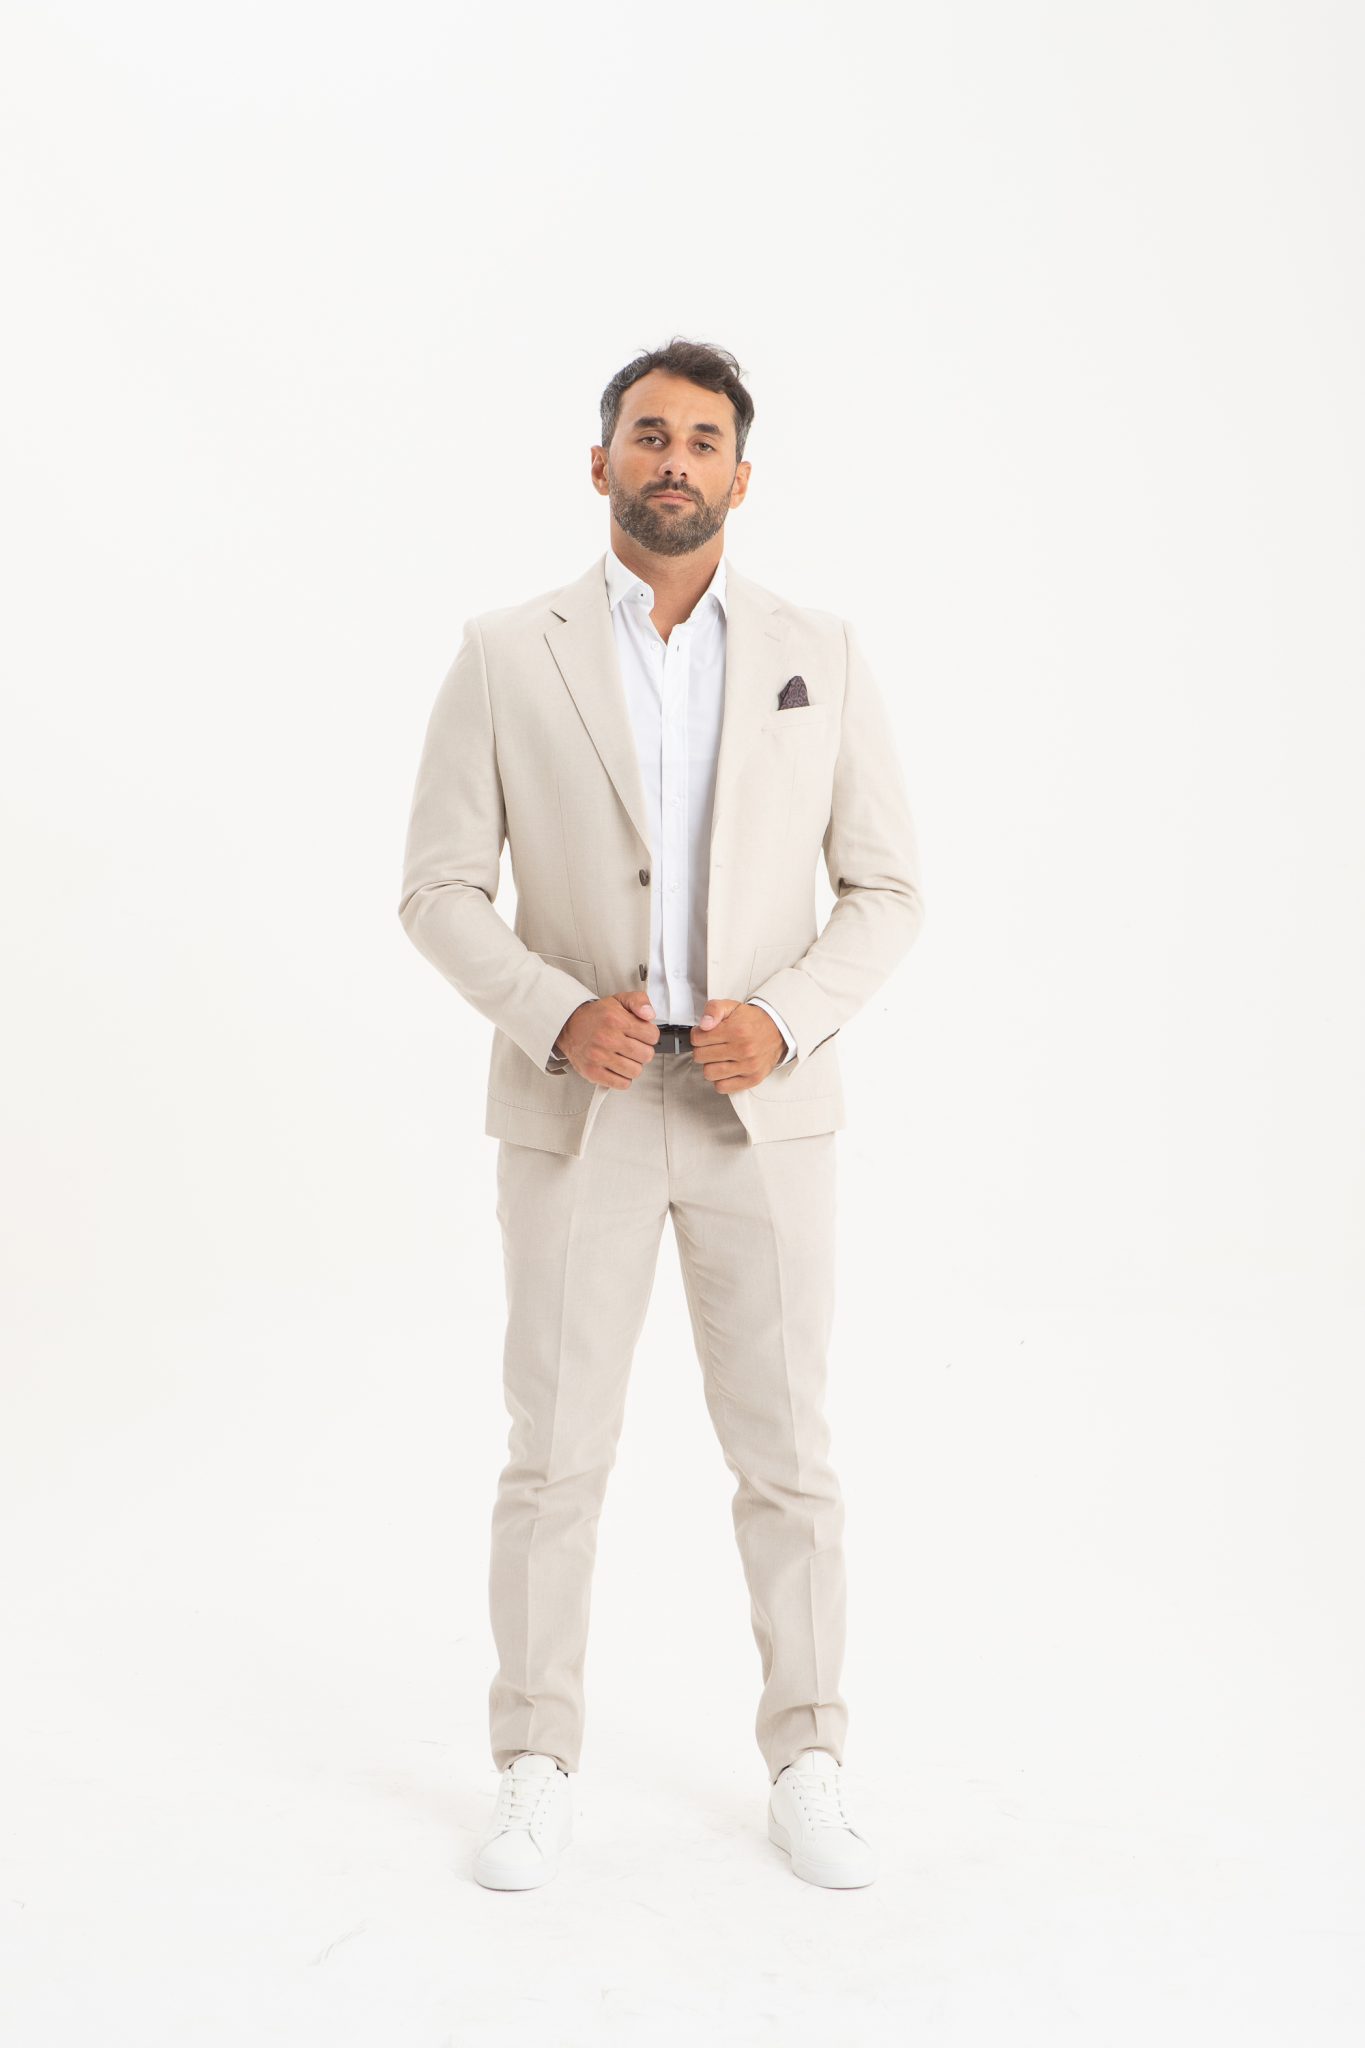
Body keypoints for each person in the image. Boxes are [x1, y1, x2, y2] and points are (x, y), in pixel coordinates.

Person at [397, 337, 925, 1889]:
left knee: (788, 1456)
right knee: (554, 1452)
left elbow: (887, 889)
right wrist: (556, 1011)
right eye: (647, 433)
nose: (672, 458)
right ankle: (534, 1761)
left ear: (740, 478)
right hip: (585, 1108)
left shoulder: (821, 650)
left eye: (701, 439)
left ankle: (808, 1759)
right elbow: (436, 888)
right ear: (600, 462)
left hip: (764, 1108)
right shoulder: (507, 653)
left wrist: (788, 1014)